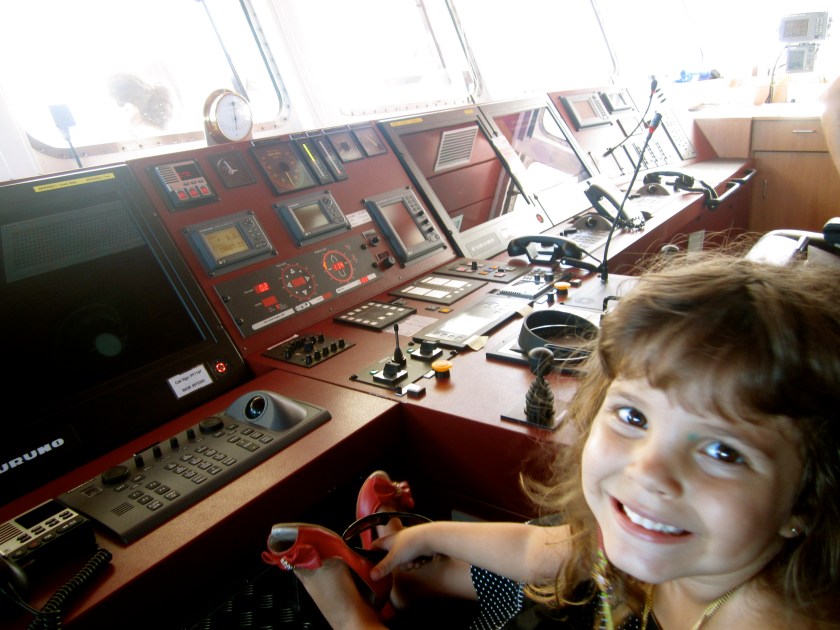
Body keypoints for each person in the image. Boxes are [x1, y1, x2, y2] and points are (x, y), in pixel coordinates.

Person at [262, 252, 840, 629]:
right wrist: (424, 535)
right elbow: (540, 550)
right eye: (633, 416)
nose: (647, 472)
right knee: (552, 566)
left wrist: (349, 620)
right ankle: (409, 580)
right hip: (611, 602)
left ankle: (362, 607)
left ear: (808, 501)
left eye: (722, 452)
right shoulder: (654, 538)